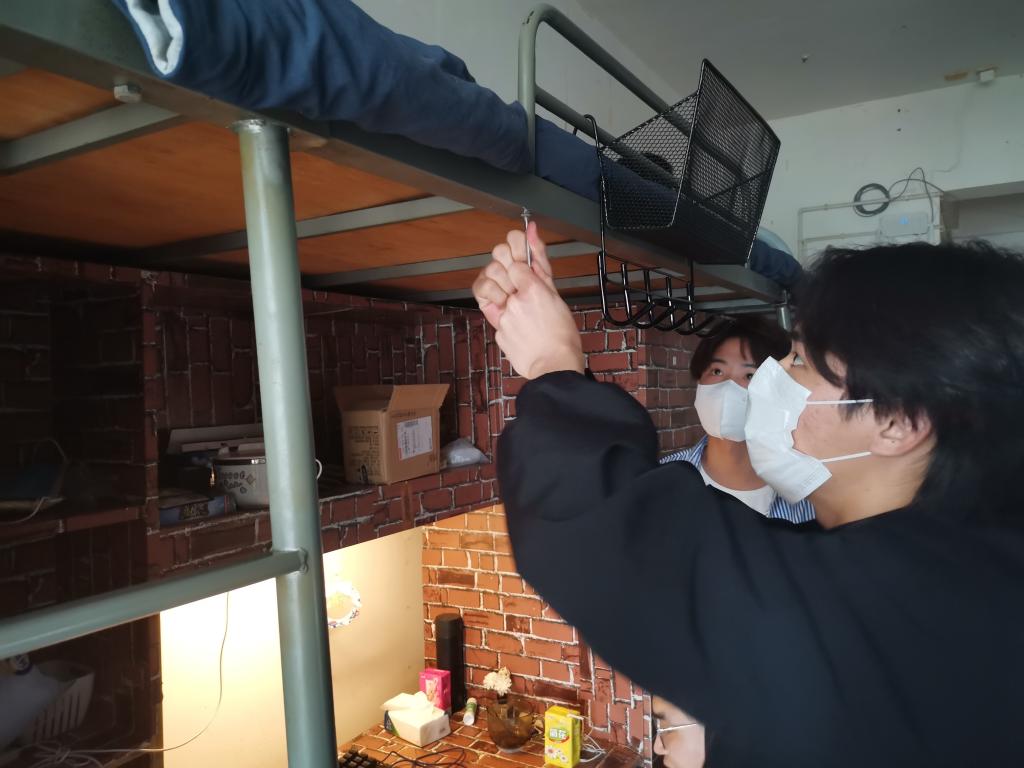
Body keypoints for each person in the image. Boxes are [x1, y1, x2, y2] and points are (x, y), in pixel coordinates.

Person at [472, 225, 1024, 766]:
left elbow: (616, 538)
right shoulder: (964, 558)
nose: (768, 380)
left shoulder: (901, 602)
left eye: (801, 361)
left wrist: (551, 363)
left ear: (898, 422)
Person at [661, 317, 814, 522]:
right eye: (717, 371)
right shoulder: (662, 479)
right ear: (699, 381)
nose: (728, 387)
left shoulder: (811, 496)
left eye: (750, 375)